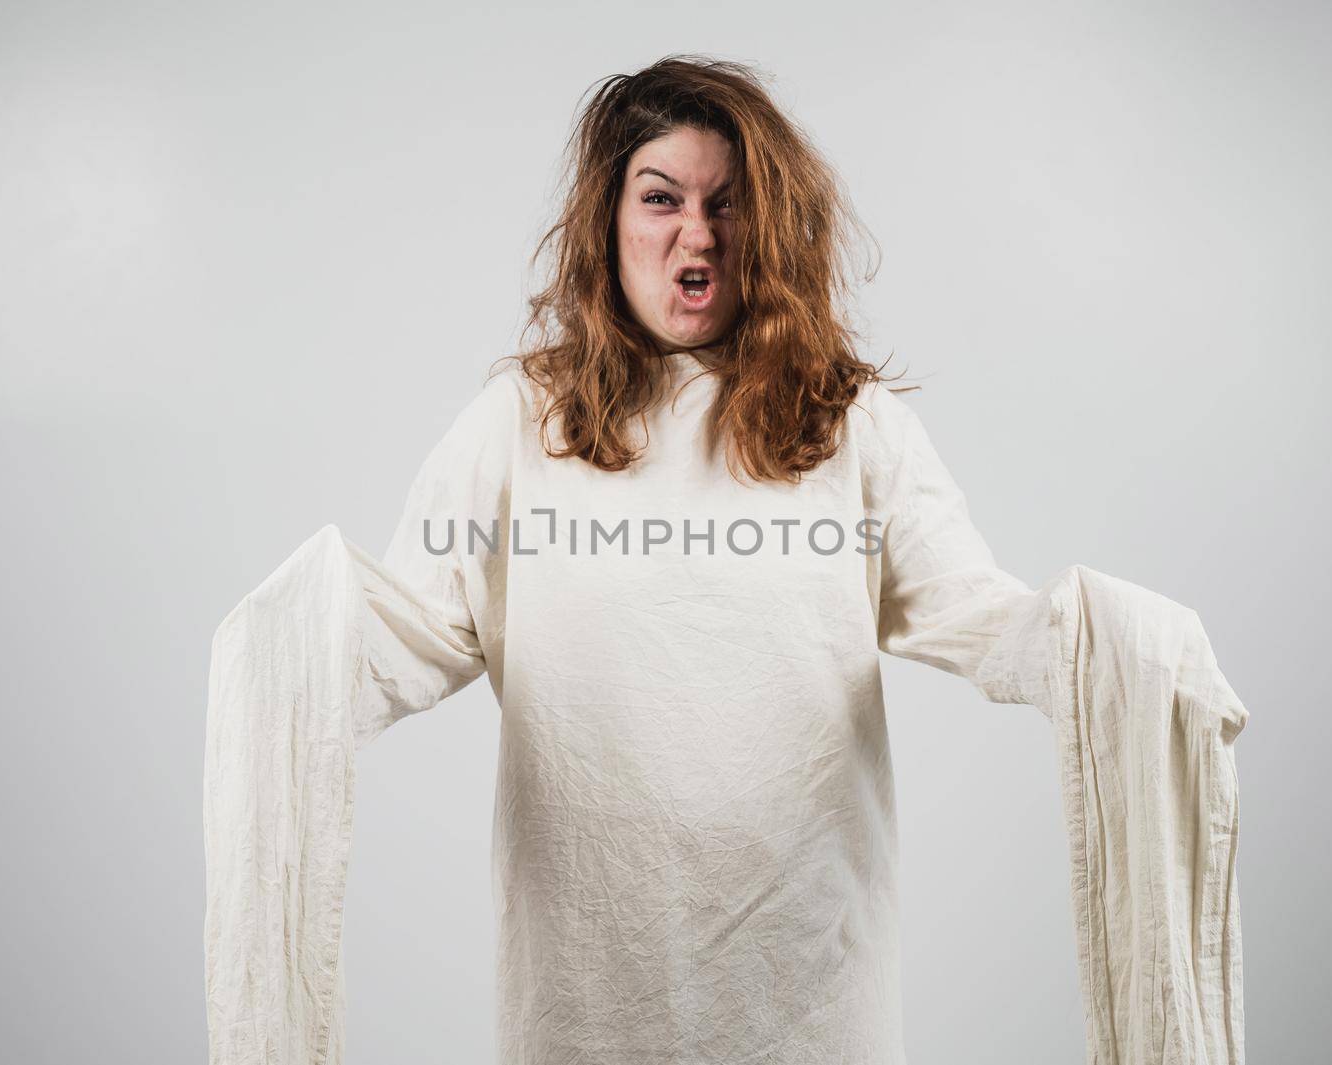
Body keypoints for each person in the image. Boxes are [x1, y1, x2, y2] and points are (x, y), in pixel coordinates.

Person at [203, 55, 1249, 1065]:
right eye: (660, 199)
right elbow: (414, 631)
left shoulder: (850, 424)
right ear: (606, 225)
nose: (694, 233)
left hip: (807, 992)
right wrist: (300, 635)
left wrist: (1104, 643)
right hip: (584, 1002)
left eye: (728, 202)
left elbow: (972, 614)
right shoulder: (520, 424)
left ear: (769, 226)